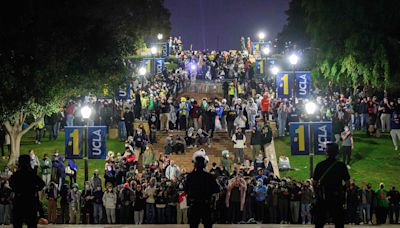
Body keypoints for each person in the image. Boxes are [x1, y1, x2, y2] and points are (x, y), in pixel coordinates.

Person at [313, 143, 350, 228]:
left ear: (326, 152)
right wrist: (342, 190)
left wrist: (317, 194)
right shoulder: (341, 166)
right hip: (336, 196)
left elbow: (314, 182)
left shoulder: (320, 165)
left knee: (319, 222)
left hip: (323, 196)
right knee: (339, 222)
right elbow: (347, 183)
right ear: (337, 152)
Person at [10, 154, 46, 228]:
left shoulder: (16, 174)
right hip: (30, 200)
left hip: (19, 200)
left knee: (17, 223)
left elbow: (11, 184)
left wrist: (17, 189)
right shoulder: (31, 174)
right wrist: (34, 189)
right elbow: (42, 184)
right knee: (31, 223)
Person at [184, 153, 220, 228]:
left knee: (193, 225)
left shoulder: (190, 176)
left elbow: (185, 190)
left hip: (194, 204)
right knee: (207, 225)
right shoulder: (209, 176)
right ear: (204, 165)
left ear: (195, 165)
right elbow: (216, 189)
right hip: (205, 204)